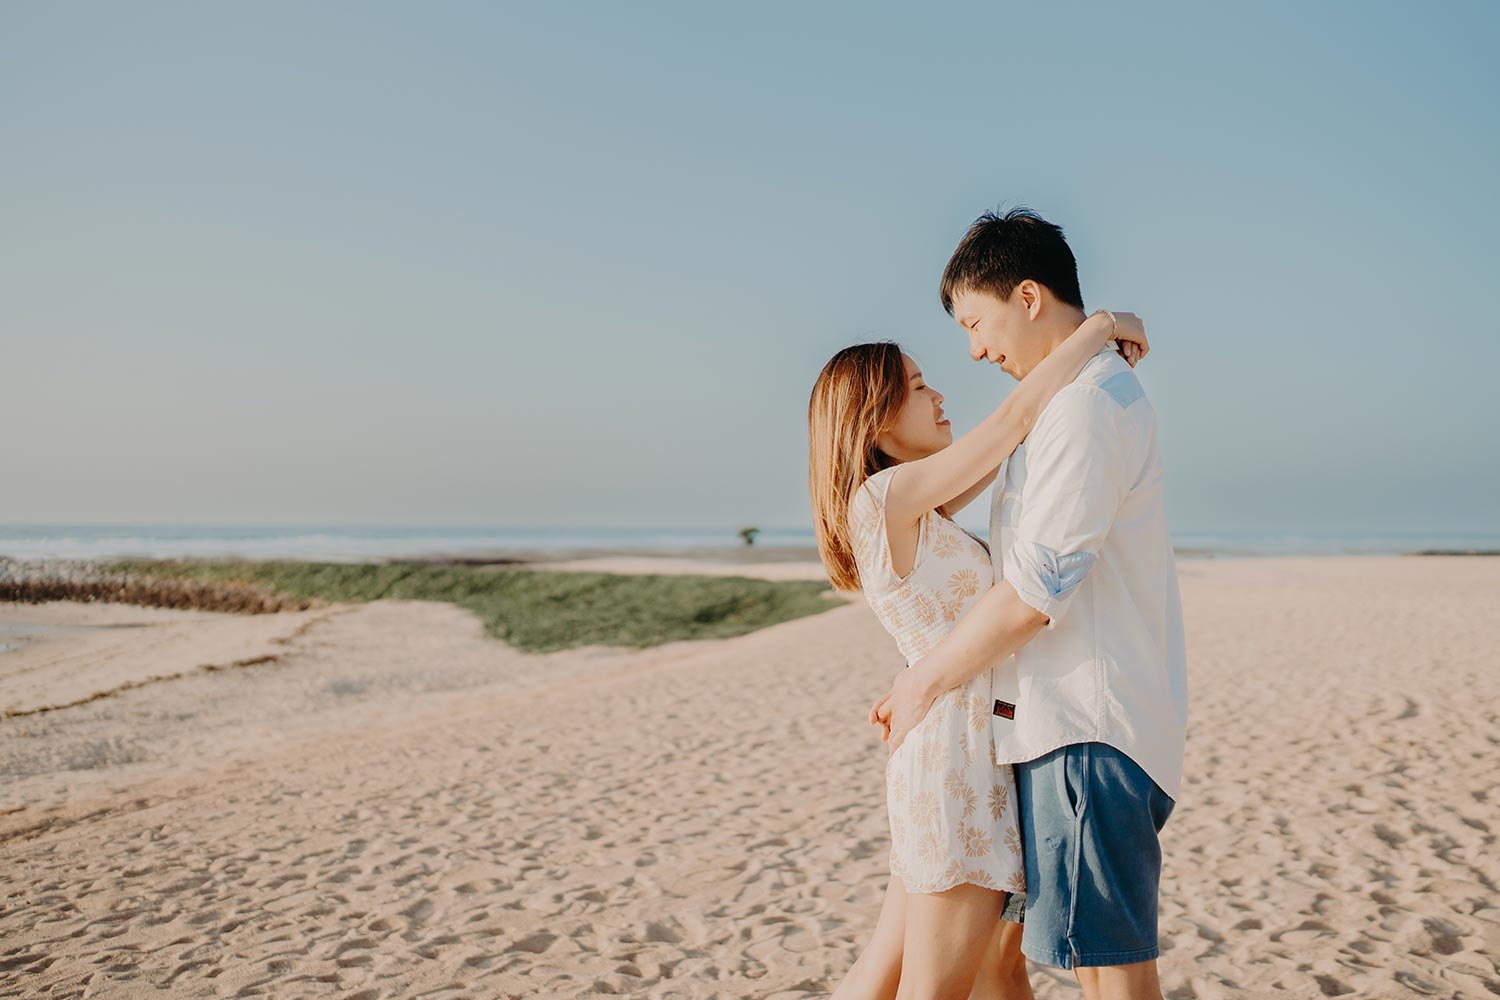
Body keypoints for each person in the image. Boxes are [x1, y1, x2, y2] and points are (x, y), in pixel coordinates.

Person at [873, 208, 1188, 1000]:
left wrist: (920, 681)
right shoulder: (1071, 399)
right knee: (1047, 961)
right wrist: (1105, 325)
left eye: (976, 323)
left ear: (1026, 297)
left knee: (1111, 973)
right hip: (1061, 729)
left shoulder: (1085, 407)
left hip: (1084, 730)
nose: (976, 350)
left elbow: (1033, 593)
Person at [808, 302, 1148, 999]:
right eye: (918, 386)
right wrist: (1097, 328)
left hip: (961, 748)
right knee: (935, 989)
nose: (938, 394)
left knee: (913, 971)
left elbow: (1018, 443)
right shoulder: (884, 498)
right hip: (952, 762)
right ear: (875, 420)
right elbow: (1012, 421)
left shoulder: (912, 506)